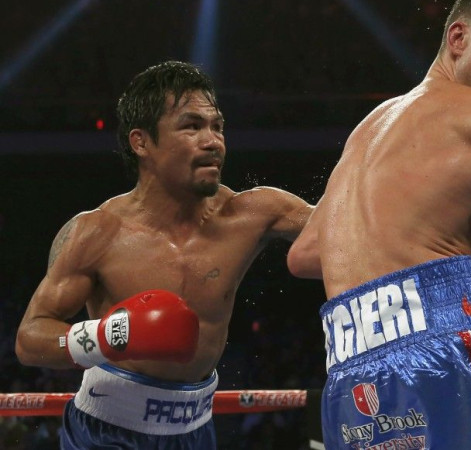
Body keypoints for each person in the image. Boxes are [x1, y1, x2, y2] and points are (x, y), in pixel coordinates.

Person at [288, 0, 471, 449]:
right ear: (458, 38)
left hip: (349, 370)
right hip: (451, 346)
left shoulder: (369, 127)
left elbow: (307, 254)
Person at [15, 60, 313, 449]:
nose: (213, 141)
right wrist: (107, 337)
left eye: (217, 126)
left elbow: (347, 233)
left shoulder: (255, 213)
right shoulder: (97, 232)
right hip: (105, 434)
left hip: (194, 431)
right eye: (192, 126)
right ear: (141, 143)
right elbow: (30, 338)